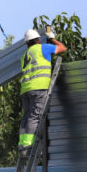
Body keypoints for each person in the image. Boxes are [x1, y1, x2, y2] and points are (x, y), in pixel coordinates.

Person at [18, 28, 67, 157]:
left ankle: (22, 145)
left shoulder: (24, 56)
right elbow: (62, 48)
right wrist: (52, 38)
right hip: (39, 88)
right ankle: (28, 146)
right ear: (39, 40)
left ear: (27, 44)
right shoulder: (43, 48)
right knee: (35, 117)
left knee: (26, 117)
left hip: (25, 89)